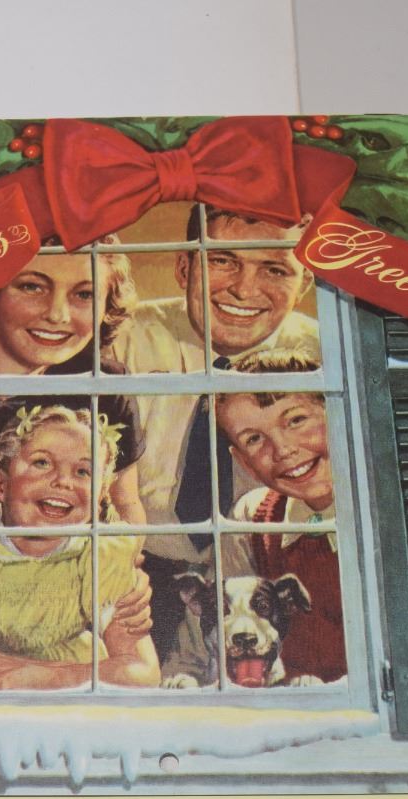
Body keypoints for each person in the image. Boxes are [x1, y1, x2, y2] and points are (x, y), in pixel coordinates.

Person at [105, 208, 320, 659]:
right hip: (140, 573)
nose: (244, 289)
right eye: (223, 261)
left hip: (271, 578)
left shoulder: (324, 355)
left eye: (275, 269)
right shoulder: (121, 339)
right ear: (184, 267)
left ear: (304, 283)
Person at [0, 406, 160, 690]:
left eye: (83, 471)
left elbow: (143, 670)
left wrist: (48, 678)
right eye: (42, 463)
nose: (63, 482)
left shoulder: (102, 553)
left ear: (99, 498)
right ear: (0, 485)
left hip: (78, 691)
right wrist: (35, 677)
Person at [0, 247, 144, 525]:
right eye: (32, 287)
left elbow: (126, 506)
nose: (57, 315)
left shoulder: (105, 384)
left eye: (84, 294)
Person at [215, 350, 347, 683]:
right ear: (244, 463)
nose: (283, 449)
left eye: (296, 420)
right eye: (254, 439)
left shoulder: (390, 510)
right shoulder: (251, 518)